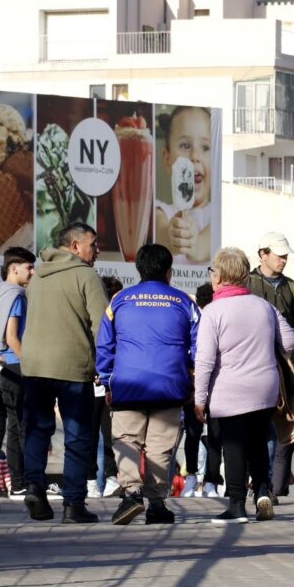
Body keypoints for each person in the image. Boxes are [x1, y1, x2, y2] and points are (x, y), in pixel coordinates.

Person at [96, 244, 201, 526]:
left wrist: (106, 380)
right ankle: (156, 504)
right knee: (160, 447)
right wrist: (191, 379)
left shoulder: (119, 301)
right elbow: (198, 346)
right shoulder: (185, 302)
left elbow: (105, 345)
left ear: (138, 269)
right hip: (169, 385)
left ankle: (131, 494)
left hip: (128, 384)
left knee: (126, 439)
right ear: (170, 272)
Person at [193, 247, 294, 524]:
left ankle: (237, 504)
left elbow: (204, 360)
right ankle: (262, 490)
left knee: (235, 445)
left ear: (222, 276)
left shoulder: (213, 312)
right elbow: (290, 342)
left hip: (230, 389)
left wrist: (199, 399)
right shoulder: (265, 306)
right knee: (258, 440)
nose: (212, 276)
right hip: (265, 387)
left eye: (214, 271)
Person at [20, 222, 108, 524]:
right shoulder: (86, 276)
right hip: (72, 365)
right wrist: (104, 365)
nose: (96, 250)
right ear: (74, 246)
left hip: (33, 365)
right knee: (78, 434)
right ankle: (73, 504)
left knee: (36, 429)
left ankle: (34, 485)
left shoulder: (37, 277)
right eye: (92, 244)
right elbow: (102, 327)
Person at [249, 232, 294, 500]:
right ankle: (259, 483)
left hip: (287, 367)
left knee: (285, 427)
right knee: (257, 427)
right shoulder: (247, 284)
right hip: (254, 365)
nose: (283, 259)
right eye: (278, 254)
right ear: (262, 254)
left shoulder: (293, 289)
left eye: (286, 255)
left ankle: (273, 488)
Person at [0, 246, 35, 498]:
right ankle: (19, 481)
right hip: (15, 365)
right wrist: (29, 363)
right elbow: (12, 336)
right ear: (14, 268)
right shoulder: (17, 295)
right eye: (29, 267)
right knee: (19, 426)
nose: (32, 272)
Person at [155, 106, 213, 264]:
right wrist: (170, 236)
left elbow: (203, 247)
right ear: (167, 159)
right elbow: (160, 231)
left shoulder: (218, 216)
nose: (195, 156)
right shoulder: (161, 212)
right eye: (185, 146)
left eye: (205, 147)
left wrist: (194, 244)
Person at [88, 276, 124, 500]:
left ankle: (112, 478)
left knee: (113, 436)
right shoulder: (94, 316)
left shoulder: (121, 319)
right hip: (92, 387)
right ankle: (90, 481)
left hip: (112, 387)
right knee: (89, 436)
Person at [182, 282, 215, 498]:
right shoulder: (192, 319)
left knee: (213, 433)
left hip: (214, 383)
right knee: (194, 432)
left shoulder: (215, 318)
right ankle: (192, 477)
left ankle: (210, 480)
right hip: (193, 383)